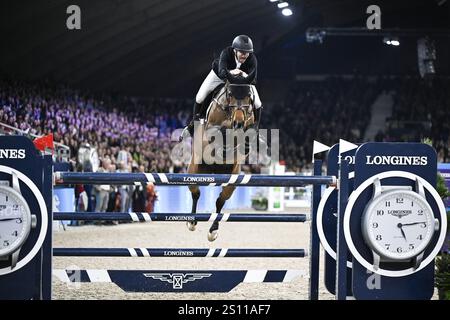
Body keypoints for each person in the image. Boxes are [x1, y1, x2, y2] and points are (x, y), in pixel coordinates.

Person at [180, 35, 262, 140]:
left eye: (247, 53)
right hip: (218, 76)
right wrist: (234, 72)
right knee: (200, 97)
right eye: (242, 52)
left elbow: (253, 80)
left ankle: (255, 128)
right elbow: (222, 73)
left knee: (258, 103)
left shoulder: (252, 59)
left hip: (242, 81)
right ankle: (193, 125)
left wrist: (242, 75)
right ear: (235, 50)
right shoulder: (226, 53)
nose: (244, 55)